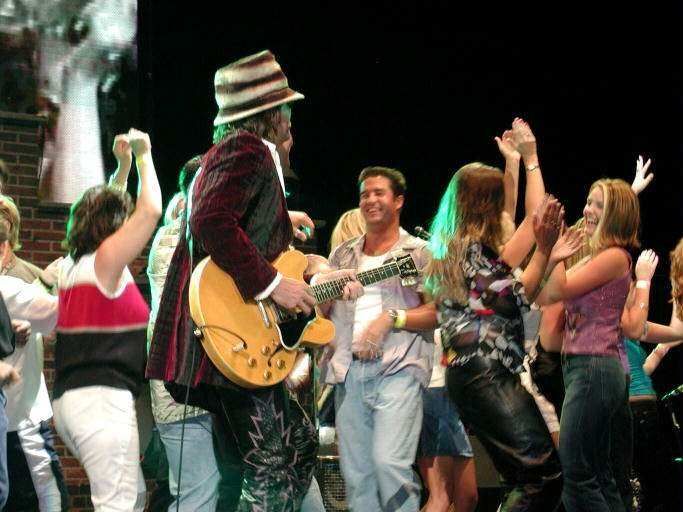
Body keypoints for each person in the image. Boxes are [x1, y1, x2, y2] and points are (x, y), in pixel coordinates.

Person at [147, 50, 319, 511]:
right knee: (271, 469)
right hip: (229, 335)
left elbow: (226, 218)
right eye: (285, 107)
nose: (290, 117)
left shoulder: (236, 152)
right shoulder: (247, 148)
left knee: (299, 447)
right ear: (269, 112)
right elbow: (209, 219)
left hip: (239, 333)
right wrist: (273, 284)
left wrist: (282, 226)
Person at [426, 118, 573, 511]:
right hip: (484, 373)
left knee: (533, 478)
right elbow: (519, 292)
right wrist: (531, 158)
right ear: (484, 206)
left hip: (480, 373)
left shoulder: (463, 246)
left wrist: (516, 163)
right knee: (541, 477)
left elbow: (522, 222)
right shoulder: (471, 251)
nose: (503, 208)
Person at [52, 128, 161, 511]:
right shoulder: (105, 262)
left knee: (133, 497)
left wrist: (122, 167)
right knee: (117, 505)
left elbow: (106, 205)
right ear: (115, 226)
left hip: (76, 400)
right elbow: (151, 211)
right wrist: (145, 156)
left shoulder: (75, 264)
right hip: (100, 400)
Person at [317, 166, 435, 512]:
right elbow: (320, 312)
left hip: (398, 370)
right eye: (365, 194)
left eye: (379, 193)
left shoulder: (419, 253)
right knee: (357, 478)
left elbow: (438, 312)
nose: (370, 200)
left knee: (389, 464)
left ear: (398, 201)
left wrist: (392, 318)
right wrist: (329, 293)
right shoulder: (343, 255)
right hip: (349, 374)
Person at [536, 176, 652, 512]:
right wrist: (555, 256)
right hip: (587, 369)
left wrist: (555, 253)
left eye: (598, 205)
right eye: (588, 201)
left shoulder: (615, 257)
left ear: (614, 215)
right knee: (599, 475)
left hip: (594, 367)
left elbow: (558, 289)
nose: (587, 209)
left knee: (576, 475)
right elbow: (547, 295)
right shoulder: (597, 257)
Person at [0, 194, 68, 511]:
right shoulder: (16, 285)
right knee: (47, 499)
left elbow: (50, 331)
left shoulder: (28, 276)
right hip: (18, 417)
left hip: (21, 410)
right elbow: (68, 311)